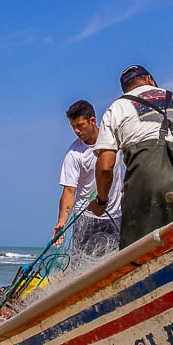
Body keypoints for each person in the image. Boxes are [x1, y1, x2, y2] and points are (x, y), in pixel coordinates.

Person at [89, 64, 173, 248]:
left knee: (139, 253)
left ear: (125, 88)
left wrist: (102, 201)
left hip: (149, 185)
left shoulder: (118, 107)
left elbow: (105, 166)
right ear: (150, 79)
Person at [53, 99, 124, 260]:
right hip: (86, 219)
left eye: (80, 125)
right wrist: (62, 222)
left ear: (92, 121)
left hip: (115, 216)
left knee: (115, 264)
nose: (77, 131)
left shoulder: (114, 140)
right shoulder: (74, 153)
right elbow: (69, 190)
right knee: (82, 266)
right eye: (73, 127)